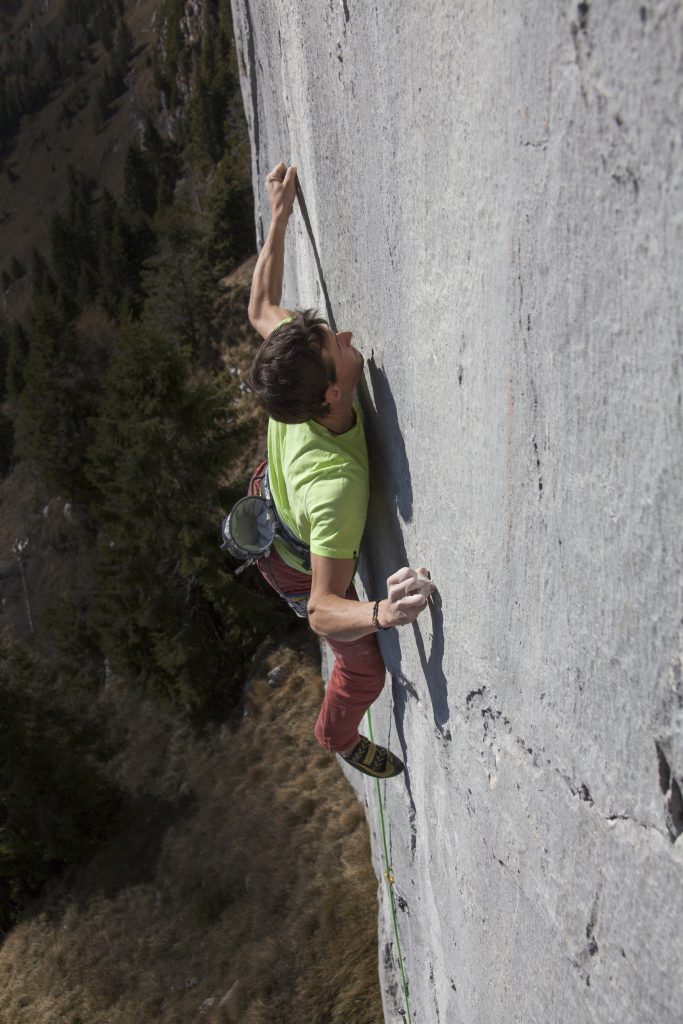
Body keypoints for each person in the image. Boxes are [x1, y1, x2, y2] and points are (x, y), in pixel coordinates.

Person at [245, 160, 435, 779]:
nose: (348, 334)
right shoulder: (337, 489)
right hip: (293, 554)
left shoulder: (295, 376)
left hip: (274, 494)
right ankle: (336, 734)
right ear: (331, 394)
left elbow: (260, 307)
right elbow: (322, 608)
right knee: (364, 668)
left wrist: (279, 215)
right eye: (339, 346)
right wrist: (384, 613)